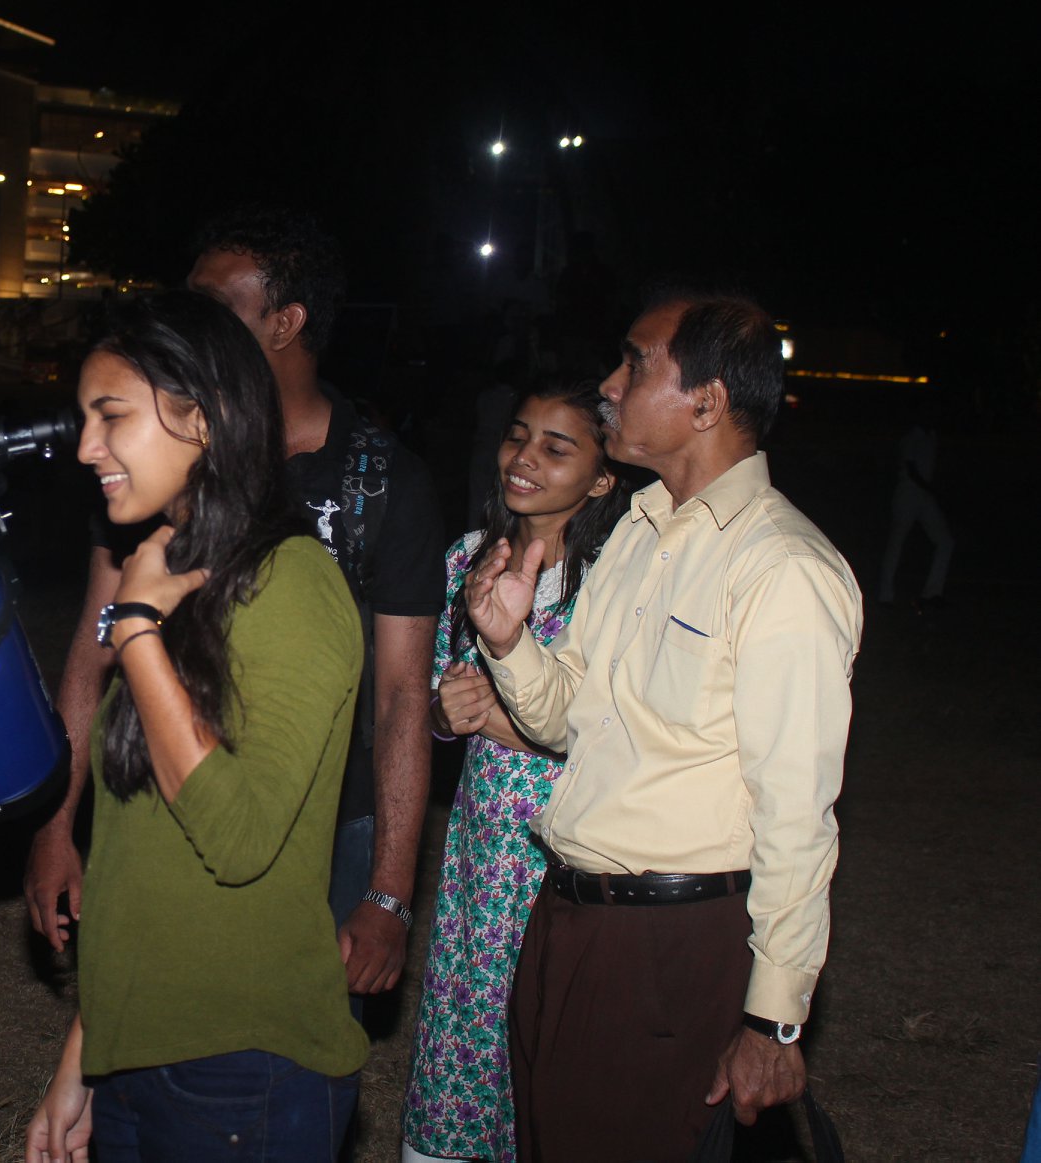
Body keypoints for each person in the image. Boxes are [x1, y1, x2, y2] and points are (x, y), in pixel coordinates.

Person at [464, 286, 863, 1161]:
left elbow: (798, 816)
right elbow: (571, 718)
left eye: (637, 362)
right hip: (568, 916)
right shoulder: (641, 531)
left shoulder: (782, 569)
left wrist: (773, 1021)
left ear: (708, 401)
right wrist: (508, 641)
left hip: (672, 948)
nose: (610, 382)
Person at [25, 208, 443, 1008]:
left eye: (215, 305)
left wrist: (389, 891)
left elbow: (399, 699)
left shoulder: (383, 482)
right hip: (166, 790)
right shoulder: (149, 474)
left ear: (287, 322)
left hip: (334, 815)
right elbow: (93, 645)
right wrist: (55, 824)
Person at [26, 292, 367, 1162]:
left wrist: (135, 629)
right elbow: (139, 872)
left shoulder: (292, 583)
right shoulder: (170, 576)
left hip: (243, 1070)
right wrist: (86, 1054)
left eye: (111, 417)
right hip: (141, 1054)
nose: (84, 448)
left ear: (204, 419)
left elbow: (238, 836)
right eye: (82, 419)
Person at [402, 379, 627, 1163]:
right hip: (480, 854)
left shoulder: (619, 583)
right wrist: (444, 711)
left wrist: (497, 718)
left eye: (555, 447)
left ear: (603, 476)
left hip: (564, 857)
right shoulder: (468, 557)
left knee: (551, 1043)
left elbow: (627, 734)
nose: (523, 458)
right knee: (470, 1022)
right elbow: (426, 703)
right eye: (518, 436)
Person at [877, 395, 953, 610]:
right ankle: (885, 596)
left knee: (945, 541)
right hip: (909, 494)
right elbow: (910, 469)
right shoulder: (912, 437)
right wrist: (933, 489)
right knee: (897, 541)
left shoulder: (932, 436)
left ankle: (933, 592)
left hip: (924, 495)